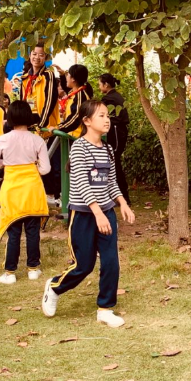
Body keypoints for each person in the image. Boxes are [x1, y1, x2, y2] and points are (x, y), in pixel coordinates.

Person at [42, 100, 135, 328]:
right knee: (83, 265)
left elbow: (111, 182)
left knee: (111, 262)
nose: (107, 120)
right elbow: (82, 184)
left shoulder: (108, 149)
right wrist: (97, 213)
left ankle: (105, 309)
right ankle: (54, 287)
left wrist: (122, 203)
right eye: (101, 115)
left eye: (107, 115)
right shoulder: (79, 148)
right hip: (84, 215)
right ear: (86, 121)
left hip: (106, 212)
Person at [0, 101, 50, 285]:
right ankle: (33, 269)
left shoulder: (2, 139)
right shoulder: (37, 140)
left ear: (10, 117)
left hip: (11, 189)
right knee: (33, 231)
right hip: (33, 189)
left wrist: (5, 163)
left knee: (13, 231)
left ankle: (10, 272)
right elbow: (45, 169)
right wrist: (31, 168)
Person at [45, 64, 92, 207]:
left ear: (74, 79)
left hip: (76, 138)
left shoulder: (81, 96)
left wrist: (58, 128)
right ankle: (64, 198)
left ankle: (70, 199)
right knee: (63, 167)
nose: (66, 78)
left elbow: (75, 118)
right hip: (70, 137)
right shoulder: (76, 92)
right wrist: (61, 73)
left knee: (70, 170)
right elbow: (67, 89)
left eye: (68, 75)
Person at [99, 73, 130, 205]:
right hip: (118, 132)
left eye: (100, 84)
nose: (99, 87)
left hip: (116, 132)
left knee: (114, 162)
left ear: (106, 85)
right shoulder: (115, 96)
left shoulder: (109, 99)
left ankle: (123, 196)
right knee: (114, 162)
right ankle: (120, 196)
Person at [21, 44, 59, 132]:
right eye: (34, 54)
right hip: (29, 123)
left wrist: (41, 124)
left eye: (41, 55)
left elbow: (50, 100)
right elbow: (22, 101)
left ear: (45, 57)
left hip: (45, 125)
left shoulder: (48, 75)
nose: (37, 57)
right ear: (30, 55)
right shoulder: (25, 77)